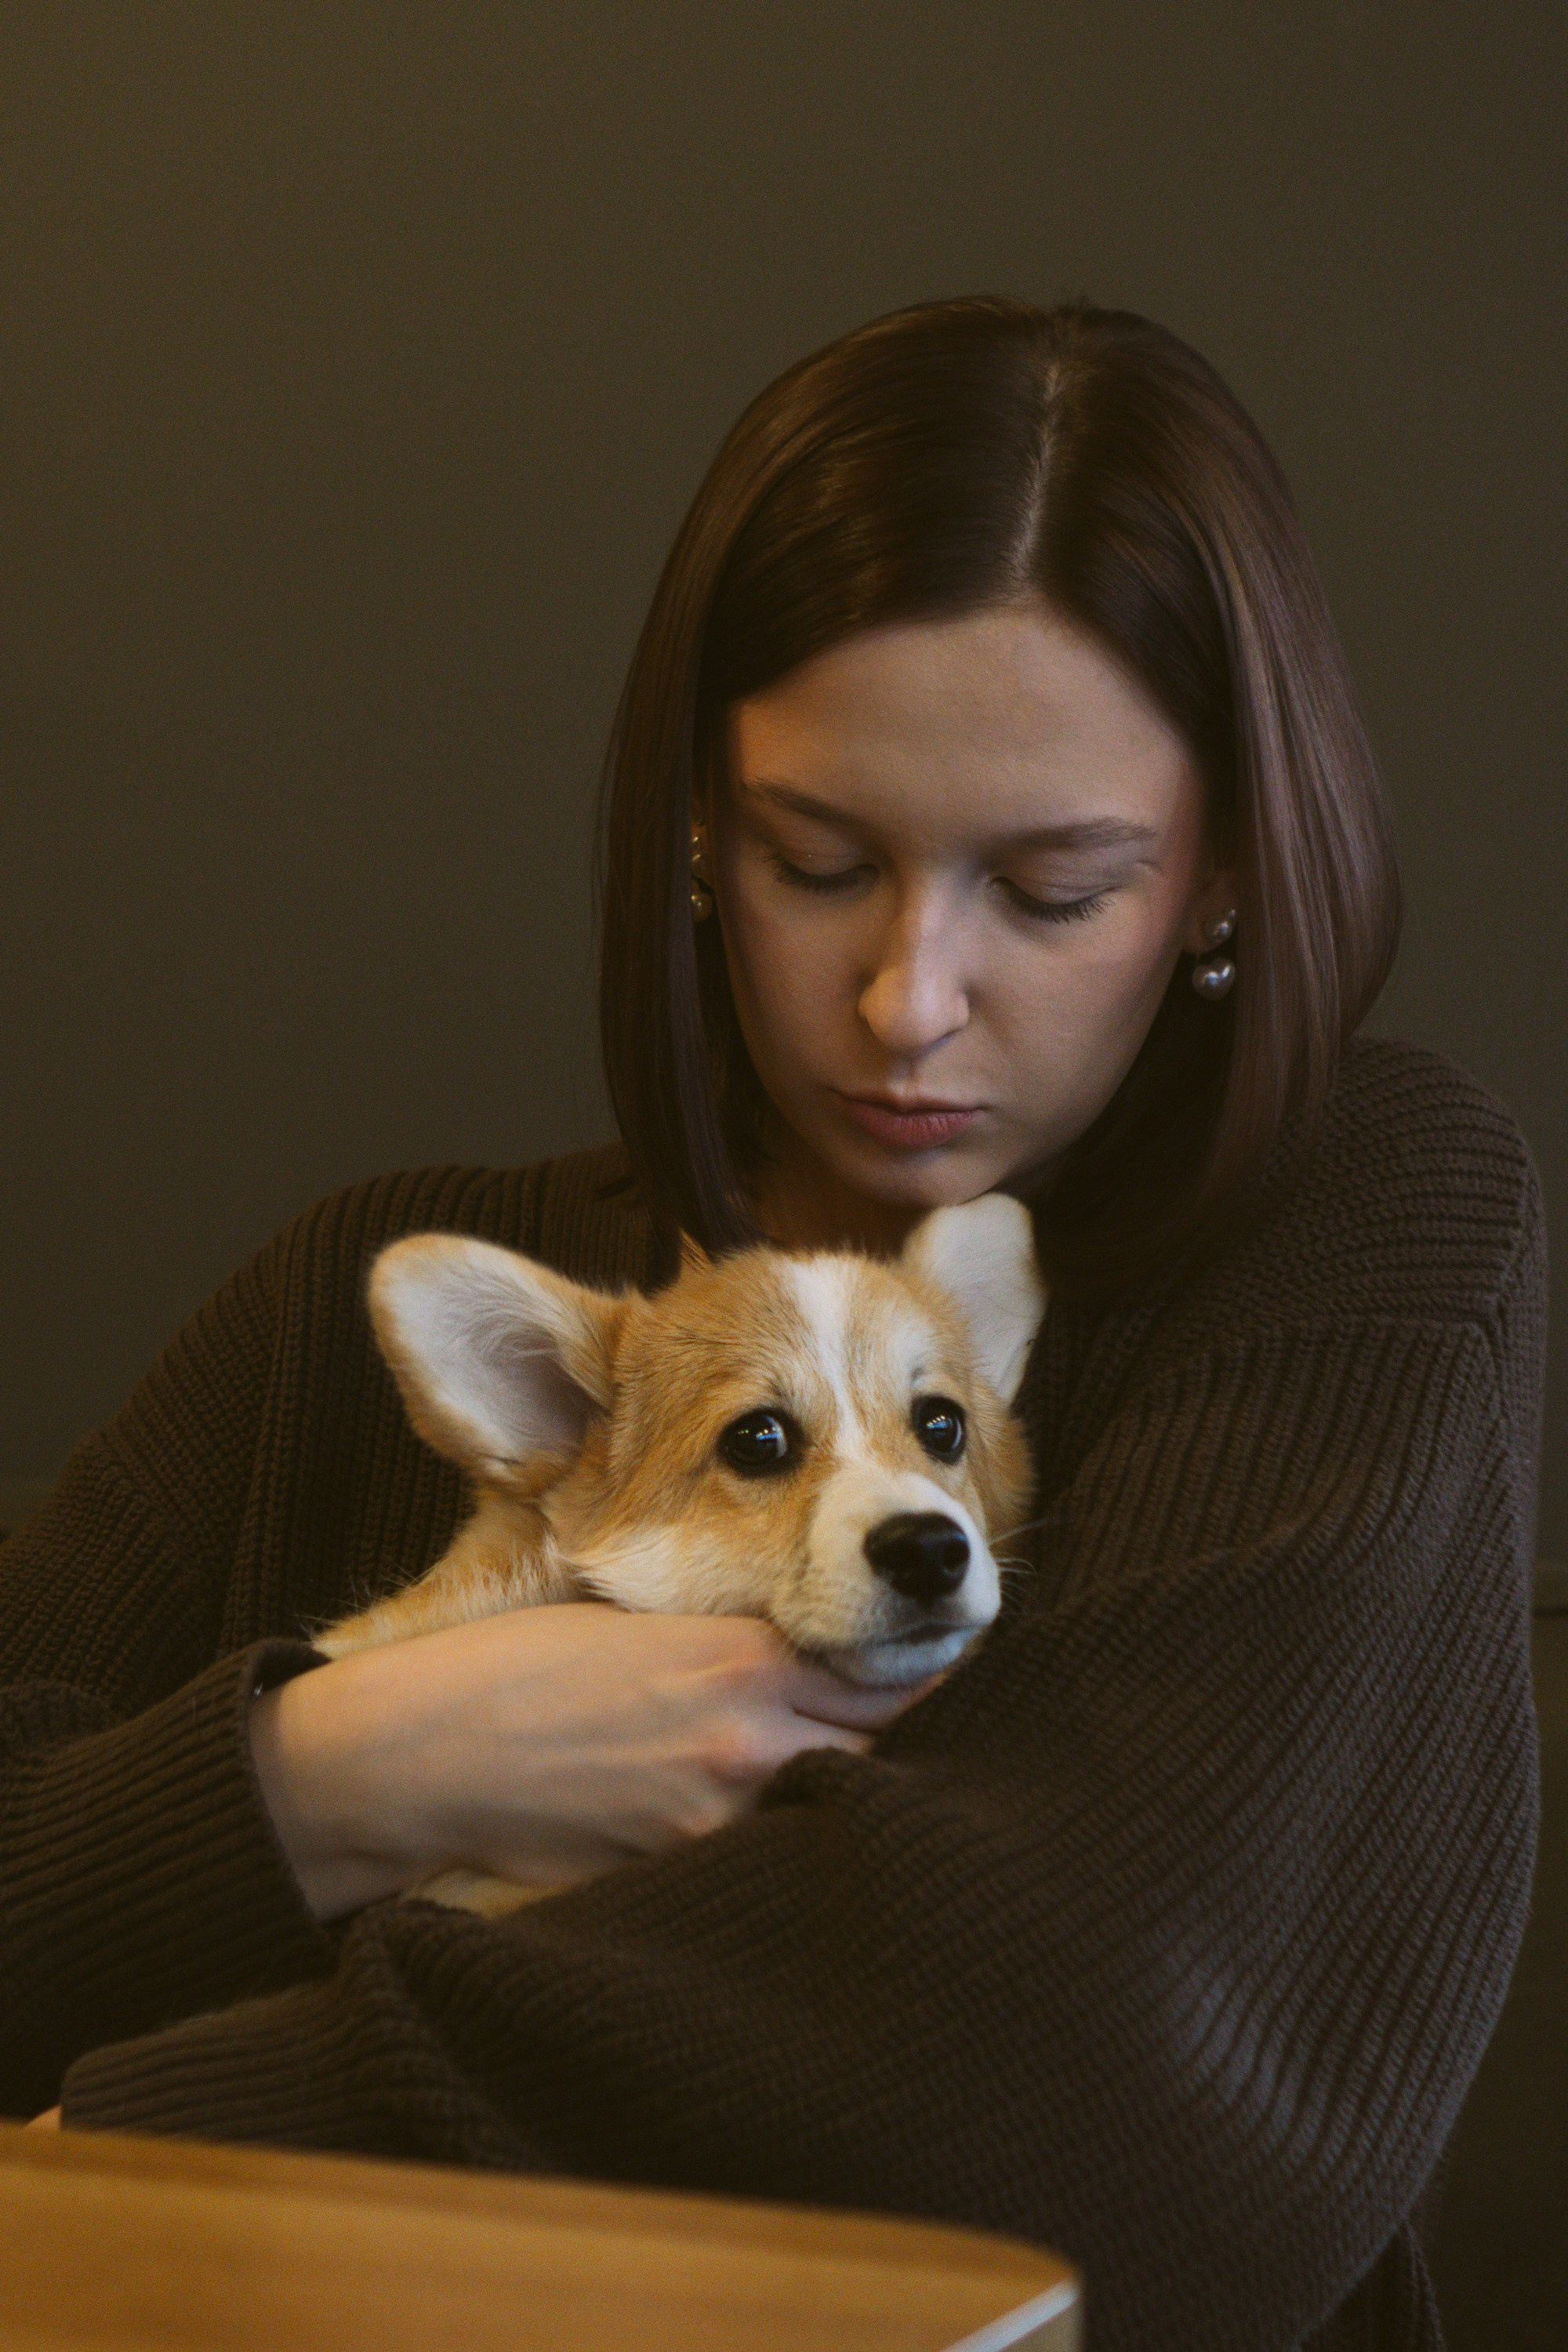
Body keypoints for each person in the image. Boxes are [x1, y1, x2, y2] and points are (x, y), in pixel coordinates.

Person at [0, 299, 1544, 2351]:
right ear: (701, 832)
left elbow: (1092, 2068)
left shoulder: (1350, 1223)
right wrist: (353, 1767)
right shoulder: (350, 1297)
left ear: (1223, 877)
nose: (910, 1001)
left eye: (1053, 891)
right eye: (820, 861)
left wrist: (129, 2171)